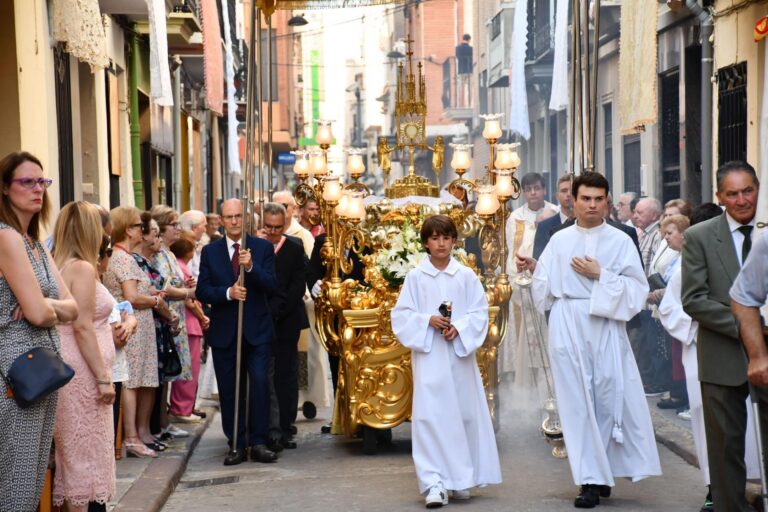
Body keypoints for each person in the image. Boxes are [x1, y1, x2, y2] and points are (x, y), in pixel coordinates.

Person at [519, 172, 661, 508]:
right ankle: (588, 480)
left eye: (599, 199)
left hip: (605, 326)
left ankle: (603, 469)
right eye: (586, 198)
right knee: (576, 401)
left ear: (607, 201)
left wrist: (602, 276)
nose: (592, 205)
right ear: (574, 201)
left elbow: (638, 290)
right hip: (569, 324)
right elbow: (546, 286)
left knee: (607, 397)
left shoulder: (620, 241)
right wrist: (537, 268)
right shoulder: (559, 240)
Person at [391, 215, 501, 508]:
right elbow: (401, 316)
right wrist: (428, 320)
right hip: (429, 357)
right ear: (426, 243)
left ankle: (460, 478)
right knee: (430, 418)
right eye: (435, 238)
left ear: (454, 240)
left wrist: (459, 328)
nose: (441, 244)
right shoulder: (416, 277)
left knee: (463, 416)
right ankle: (434, 482)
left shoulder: (465, 276)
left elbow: (479, 313)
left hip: (457, 356)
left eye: (446, 238)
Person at [658, 205, 760, 512]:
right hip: (705, 350)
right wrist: (703, 324)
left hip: (754, 350)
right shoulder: (682, 270)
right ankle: (717, 487)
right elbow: (671, 308)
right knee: (713, 423)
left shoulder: (753, 253)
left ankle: (756, 483)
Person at [0, 151, 79, 510]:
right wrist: (45, 308)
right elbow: (35, 311)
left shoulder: (32, 241)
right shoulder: (6, 238)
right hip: (15, 373)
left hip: (44, 370)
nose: (37, 190)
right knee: (16, 480)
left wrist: (48, 308)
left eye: (42, 182)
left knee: (33, 480)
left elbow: (73, 306)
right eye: (26, 182)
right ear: (4, 188)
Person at [682, 161, 763, 511]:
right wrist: (749, 328)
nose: (743, 200)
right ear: (720, 197)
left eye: (748, 190)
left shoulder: (765, 231)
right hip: (721, 354)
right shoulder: (699, 236)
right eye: (733, 194)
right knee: (725, 447)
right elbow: (694, 299)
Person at [196, 198, 278, 465]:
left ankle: (259, 441)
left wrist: (252, 267)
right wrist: (228, 293)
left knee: (260, 384)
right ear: (221, 220)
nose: (233, 221)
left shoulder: (262, 248)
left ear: (246, 219)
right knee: (231, 390)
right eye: (228, 217)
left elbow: (271, 284)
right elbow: (202, 290)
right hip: (225, 332)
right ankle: (237, 443)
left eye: (237, 216)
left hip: (257, 330)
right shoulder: (211, 252)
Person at [52, 201, 116, 511]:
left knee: (79, 453)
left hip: (74, 366)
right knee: (86, 455)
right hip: (83, 371)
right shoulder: (82, 267)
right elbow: (82, 327)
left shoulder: (61, 263)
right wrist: (103, 377)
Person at [104, 206, 167, 458]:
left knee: (140, 380)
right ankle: (131, 436)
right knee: (132, 382)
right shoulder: (122, 258)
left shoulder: (123, 257)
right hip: (131, 327)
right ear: (128, 229)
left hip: (135, 325)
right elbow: (130, 296)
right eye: (140, 226)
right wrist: (154, 301)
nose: (143, 230)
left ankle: (138, 434)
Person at [259, 203, 308, 450]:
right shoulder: (255, 246)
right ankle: (267, 425)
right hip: (261, 318)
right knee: (263, 373)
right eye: (268, 227)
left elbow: (299, 283)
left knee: (287, 373)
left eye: (278, 228)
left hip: (287, 318)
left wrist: (280, 309)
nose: (273, 232)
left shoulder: (295, 247)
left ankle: (286, 426)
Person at [169, 231, 209, 424]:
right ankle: (182, 407)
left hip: (189, 321)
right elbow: (188, 299)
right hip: (190, 322)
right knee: (189, 369)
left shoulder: (180, 267)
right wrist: (203, 317)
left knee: (190, 368)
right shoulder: (181, 268)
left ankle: (186, 405)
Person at [533, 174, 573, 259]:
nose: (569, 194)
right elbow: (538, 260)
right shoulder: (544, 227)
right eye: (564, 191)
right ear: (557, 196)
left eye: (572, 190)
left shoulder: (585, 224)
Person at [179, 209, 207, 278]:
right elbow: (193, 275)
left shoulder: (197, 245)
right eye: (204, 226)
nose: (205, 230)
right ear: (194, 227)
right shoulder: (185, 248)